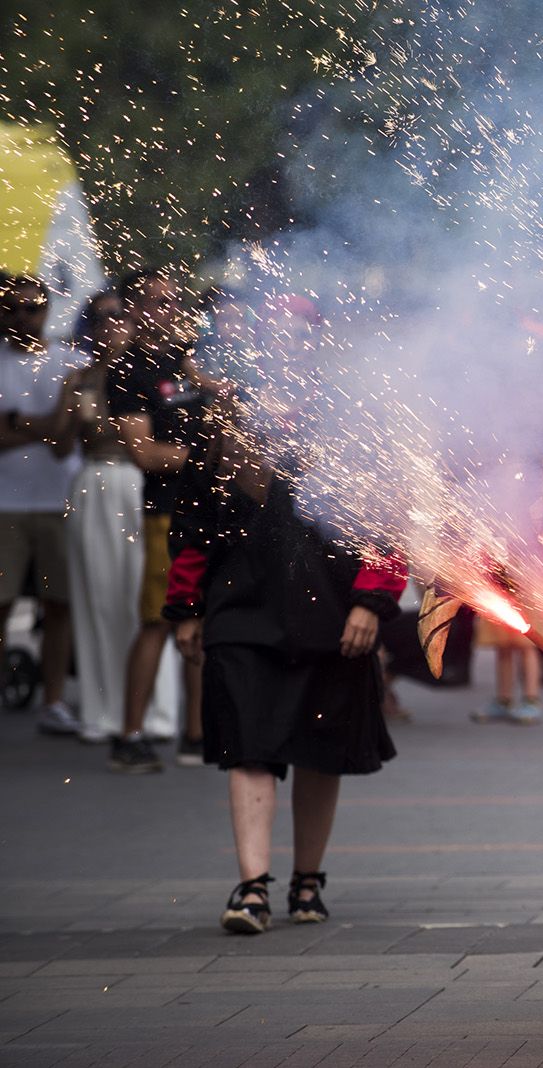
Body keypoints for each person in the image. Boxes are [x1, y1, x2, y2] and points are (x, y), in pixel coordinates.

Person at [164, 346, 406, 935]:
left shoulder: (352, 434)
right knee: (248, 745)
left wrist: (371, 602)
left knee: (320, 751)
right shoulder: (224, 436)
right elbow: (193, 531)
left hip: (330, 618)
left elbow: (386, 525)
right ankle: (252, 889)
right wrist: (186, 610)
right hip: (243, 616)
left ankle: (306, 880)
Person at [105, 268, 207, 772]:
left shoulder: (187, 362)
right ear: (133, 308)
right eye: (152, 301)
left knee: (203, 619)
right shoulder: (128, 370)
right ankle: (129, 736)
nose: (164, 310)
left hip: (205, 510)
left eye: (170, 301)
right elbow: (143, 453)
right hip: (164, 514)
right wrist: (205, 457)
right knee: (157, 623)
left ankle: (196, 734)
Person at [52, 292, 152, 745]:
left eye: (122, 316)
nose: (115, 325)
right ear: (90, 327)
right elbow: (59, 445)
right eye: (103, 318)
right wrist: (68, 408)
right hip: (96, 484)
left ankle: (151, 709)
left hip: (140, 486)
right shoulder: (80, 380)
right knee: (96, 596)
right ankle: (101, 708)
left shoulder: (152, 373)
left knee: (144, 599)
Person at [0, 273, 82, 737]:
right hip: (4, 504)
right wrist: (47, 422)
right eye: (13, 308)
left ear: (47, 310)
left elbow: (62, 441)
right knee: (2, 602)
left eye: (31, 307)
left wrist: (16, 423)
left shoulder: (70, 361)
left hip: (57, 500)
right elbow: (53, 431)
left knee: (58, 605)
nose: (22, 316)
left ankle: (53, 701)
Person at [472, 613, 543, 723]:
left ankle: (531, 700)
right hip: (501, 596)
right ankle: (504, 700)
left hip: (526, 599)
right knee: (502, 644)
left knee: (528, 643)